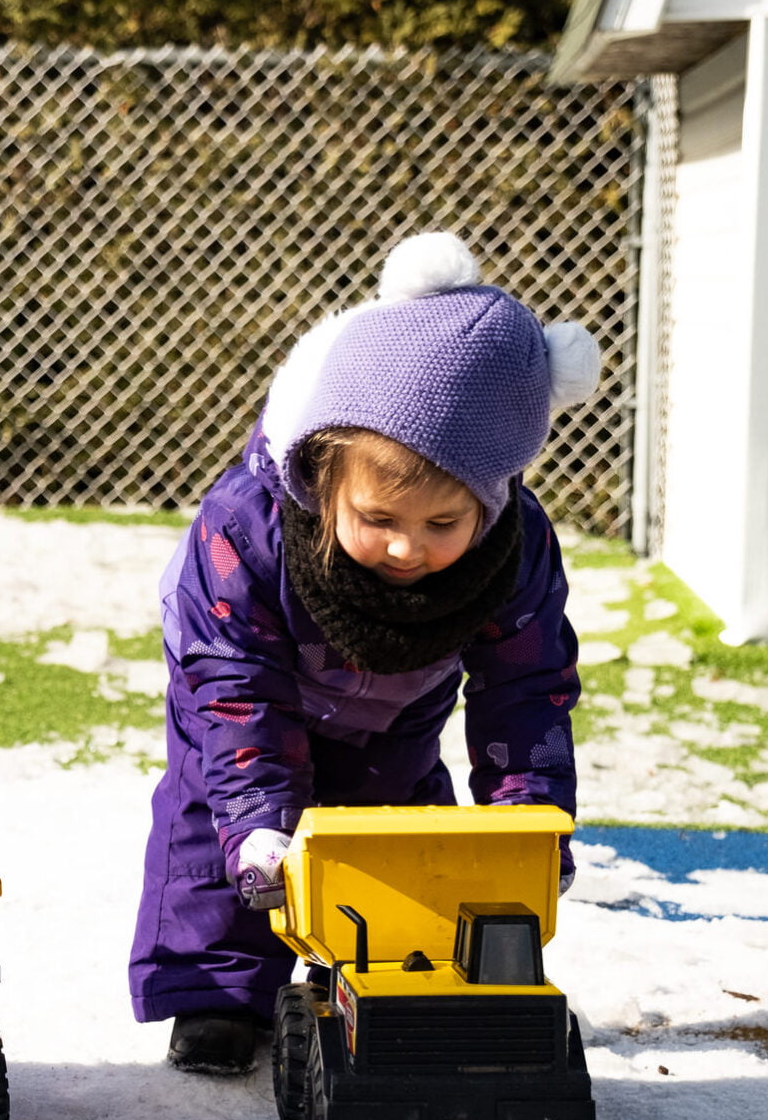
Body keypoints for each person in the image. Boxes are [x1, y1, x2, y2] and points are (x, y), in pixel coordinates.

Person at [129, 234, 597, 1074]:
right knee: (223, 825)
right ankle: (218, 996)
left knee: (396, 821)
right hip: (246, 689)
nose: (406, 549)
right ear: (327, 475)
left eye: (442, 526)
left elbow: (526, 688)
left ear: (489, 506)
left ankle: (395, 972)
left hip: (396, 705)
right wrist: (259, 827)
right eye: (378, 520)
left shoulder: (515, 550)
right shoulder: (248, 531)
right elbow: (234, 683)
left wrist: (530, 818)